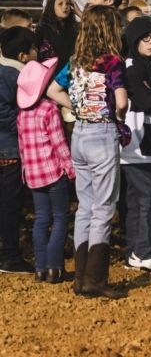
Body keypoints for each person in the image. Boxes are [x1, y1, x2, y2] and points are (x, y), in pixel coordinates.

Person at [57, 6, 128, 298]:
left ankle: (81, 278)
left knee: (85, 206)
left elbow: (51, 89)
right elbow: (121, 101)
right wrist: (118, 117)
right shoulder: (112, 62)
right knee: (104, 207)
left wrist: (76, 107)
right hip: (103, 132)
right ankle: (95, 280)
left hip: (81, 134)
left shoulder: (75, 61)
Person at [16, 56, 73, 283]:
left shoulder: (22, 115)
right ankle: (55, 267)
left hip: (33, 174)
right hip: (53, 172)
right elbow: (59, 143)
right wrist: (70, 167)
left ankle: (40, 268)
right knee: (60, 217)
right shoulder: (49, 109)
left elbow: (22, 146)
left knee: (41, 219)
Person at [120, 17, 151, 272]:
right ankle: (142, 251)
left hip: (147, 139)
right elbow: (148, 101)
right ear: (134, 41)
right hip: (137, 140)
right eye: (145, 38)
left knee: (146, 196)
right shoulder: (133, 67)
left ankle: (138, 249)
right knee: (146, 196)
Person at [0, 28, 38, 275]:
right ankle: (10, 257)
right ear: (24, 55)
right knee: (10, 205)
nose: (38, 53)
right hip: (10, 150)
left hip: (7, 148)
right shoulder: (15, 75)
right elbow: (3, 111)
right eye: (35, 49)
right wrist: (24, 125)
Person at [35, 0, 78, 73]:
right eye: (60, 4)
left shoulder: (73, 27)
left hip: (69, 72)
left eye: (68, 4)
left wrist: (78, 12)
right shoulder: (42, 27)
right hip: (49, 74)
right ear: (51, 6)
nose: (65, 7)